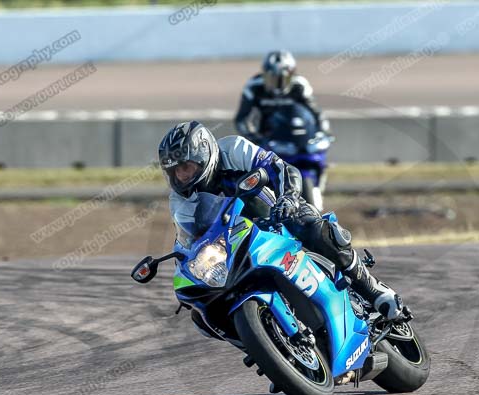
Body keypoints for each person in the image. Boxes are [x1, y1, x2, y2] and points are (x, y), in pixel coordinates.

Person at [158, 121, 404, 321]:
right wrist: (188, 267)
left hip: (276, 212)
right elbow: (187, 237)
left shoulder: (232, 149)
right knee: (204, 310)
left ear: (203, 154)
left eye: (186, 167)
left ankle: (370, 287)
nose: (181, 176)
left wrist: (288, 197)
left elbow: (280, 167)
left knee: (310, 225)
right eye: (175, 171)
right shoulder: (180, 199)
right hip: (235, 240)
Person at [234, 50, 330, 146]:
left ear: (292, 75)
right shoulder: (254, 86)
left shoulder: (300, 85)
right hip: (266, 139)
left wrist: (323, 132)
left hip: (297, 138)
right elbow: (241, 119)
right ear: (264, 75)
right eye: (272, 78)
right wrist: (254, 138)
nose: (278, 85)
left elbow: (316, 113)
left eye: (283, 79)